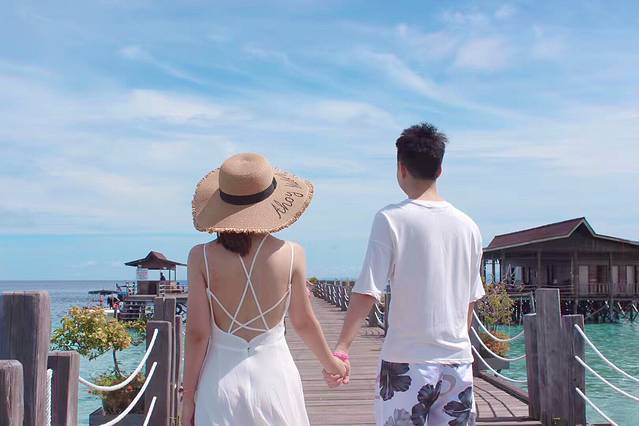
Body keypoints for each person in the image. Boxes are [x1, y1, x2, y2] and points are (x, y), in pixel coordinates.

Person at [325, 123, 485, 426]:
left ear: (401, 168)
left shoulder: (391, 219)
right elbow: (470, 299)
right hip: (458, 362)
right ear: (440, 170)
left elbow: (368, 290)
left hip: (406, 361)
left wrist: (342, 348)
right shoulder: (469, 227)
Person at [181, 153, 348, 426]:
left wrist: (188, 397)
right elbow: (303, 322)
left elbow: (198, 334)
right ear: (268, 203)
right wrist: (333, 365)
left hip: (220, 383)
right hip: (276, 380)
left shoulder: (201, 257)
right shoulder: (292, 254)